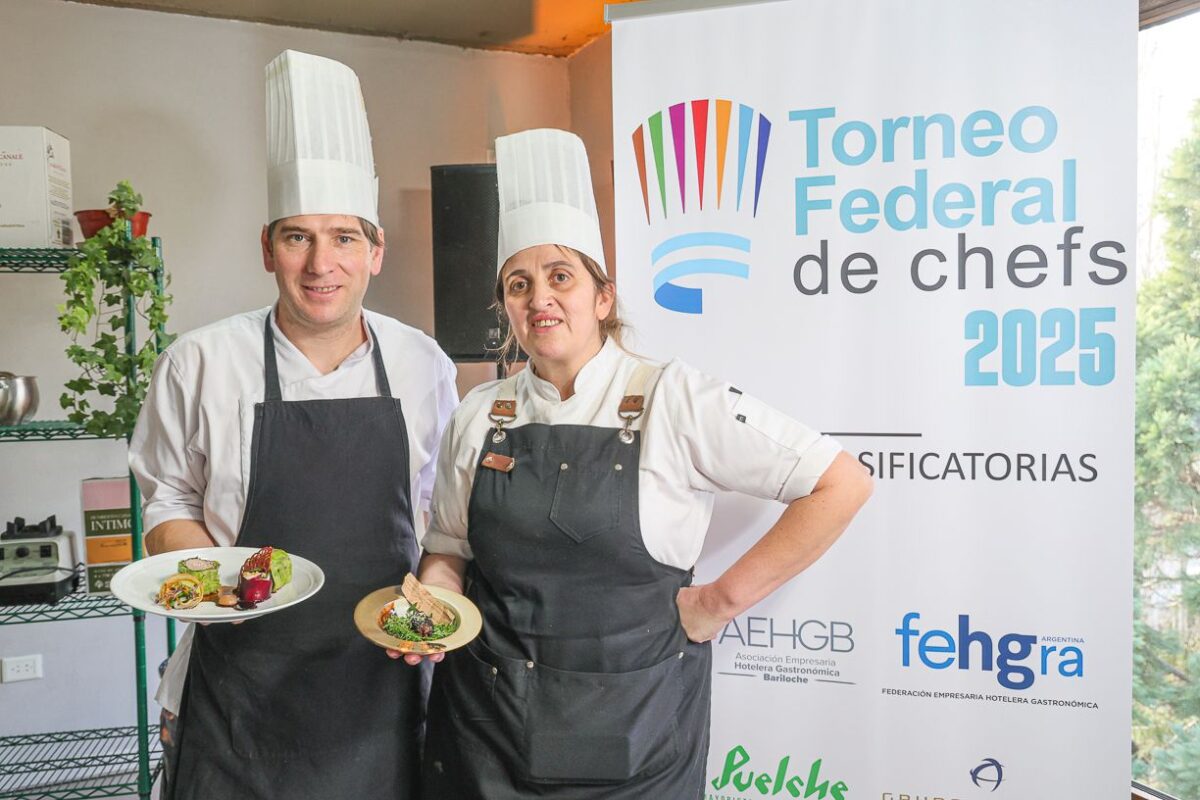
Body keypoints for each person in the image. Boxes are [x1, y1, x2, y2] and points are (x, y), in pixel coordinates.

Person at [403, 128, 873, 799]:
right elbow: (450, 550)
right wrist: (431, 618)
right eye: (519, 284)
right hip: (484, 730)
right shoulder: (480, 413)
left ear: (602, 299)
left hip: (630, 736)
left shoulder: (671, 397)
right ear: (506, 306)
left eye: (560, 277)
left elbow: (839, 482)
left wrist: (719, 602)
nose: (539, 299)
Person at [129, 50, 456, 800]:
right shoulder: (199, 361)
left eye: (344, 237)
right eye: (297, 236)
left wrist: (433, 607)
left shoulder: (423, 363)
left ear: (376, 251)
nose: (320, 264)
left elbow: (444, 517)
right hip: (239, 692)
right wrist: (223, 587)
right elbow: (166, 501)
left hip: (382, 686)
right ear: (266, 247)